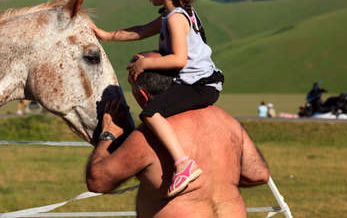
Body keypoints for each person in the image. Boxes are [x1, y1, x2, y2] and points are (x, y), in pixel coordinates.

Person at [89, 0, 224, 197]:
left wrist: (145, 65)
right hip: (199, 81)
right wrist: (106, 35)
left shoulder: (175, 19)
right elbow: (140, 31)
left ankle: (183, 164)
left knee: (151, 113)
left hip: (199, 85)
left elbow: (179, 59)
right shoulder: (174, 14)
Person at [86, 69, 270, 218]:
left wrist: (108, 134)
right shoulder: (226, 121)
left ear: (142, 94)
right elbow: (258, 174)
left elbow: (98, 181)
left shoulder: (147, 137)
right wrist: (218, 181)